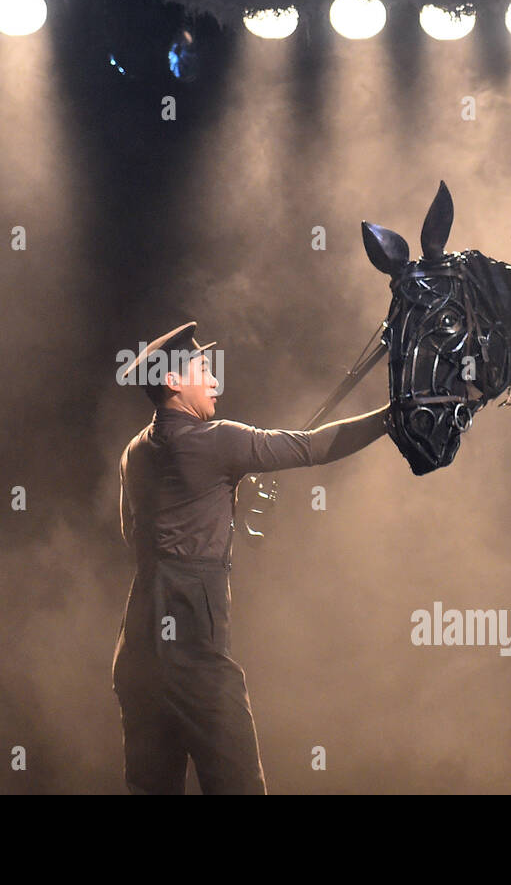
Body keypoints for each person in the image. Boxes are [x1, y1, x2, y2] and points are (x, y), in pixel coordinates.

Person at [112, 320, 391, 794]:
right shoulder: (218, 439)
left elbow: (133, 535)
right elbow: (314, 447)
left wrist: (223, 499)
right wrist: (396, 413)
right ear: (174, 381)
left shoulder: (134, 451)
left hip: (136, 656)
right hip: (194, 658)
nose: (216, 381)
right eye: (204, 369)